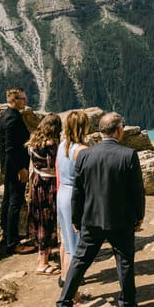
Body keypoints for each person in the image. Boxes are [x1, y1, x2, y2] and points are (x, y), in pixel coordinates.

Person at [57, 111, 145, 307]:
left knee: (80, 260)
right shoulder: (128, 155)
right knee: (124, 262)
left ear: (100, 131)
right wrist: (139, 216)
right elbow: (137, 192)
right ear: (119, 130)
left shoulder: (86, 155)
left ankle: (64, 304)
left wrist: (76, 218)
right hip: (121, 220)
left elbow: (78, 191)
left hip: (91, 218)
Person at [56, 109, 94, 287]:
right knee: (76, 248)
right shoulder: (82, 150)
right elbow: (89, 179)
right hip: (75, 197)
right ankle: (73, 295)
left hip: (62, 193)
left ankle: (64, 278)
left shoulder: (62, 145)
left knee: (66, 241)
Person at [0, 87, 33, 257]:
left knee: (7, 200)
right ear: (13, 100)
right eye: (22, 99)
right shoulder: (12, 118)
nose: (25, 101)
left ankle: (6, 235)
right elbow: (11, 148)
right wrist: (21, 169)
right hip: (15, 167)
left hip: (8, 166)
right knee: (15, 202)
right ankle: (13, 243)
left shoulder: (7, 115)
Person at [25, 111, 61, 274]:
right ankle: (43, 263)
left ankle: (43, 256)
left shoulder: (33, 141)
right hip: (49, 184)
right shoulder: (52, 144)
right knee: (48, 221)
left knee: (39, 219)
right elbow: (56, 165)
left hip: (36, 182)